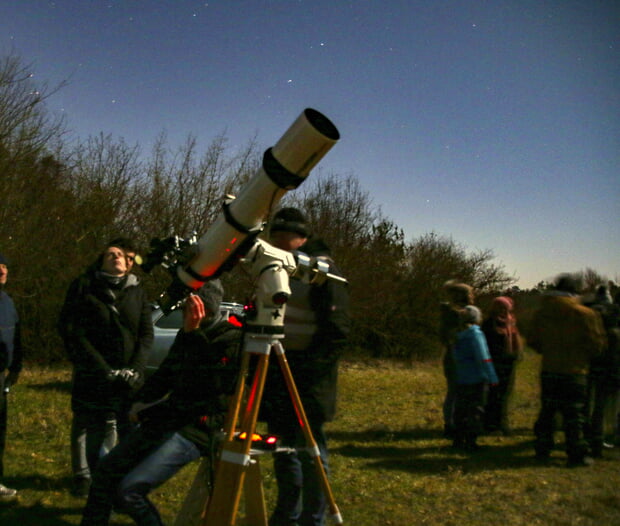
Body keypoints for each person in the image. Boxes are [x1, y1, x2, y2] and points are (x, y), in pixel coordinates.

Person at [80, 280, 243, 525]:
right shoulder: (187, 333)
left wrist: (193, 334)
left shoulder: (230, 339)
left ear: (207, 308)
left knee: (130, 492)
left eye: (194, 307)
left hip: (197, 427)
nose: (187, 312)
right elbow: (167, 375)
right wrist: (138, 400)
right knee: (107, 470)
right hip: (171, 417)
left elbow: (207, 387)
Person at [261, 207, 350, 526]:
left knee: (311, 454)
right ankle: (288, 514)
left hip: (308, 377)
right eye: (276, 240)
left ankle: (313, 518)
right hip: (277, 373)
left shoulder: (323, 272)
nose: (281, 246)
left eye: (286, 240)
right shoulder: (275, 267)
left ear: (302, 238)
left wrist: (310, 372)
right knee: (283, 452)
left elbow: (337, 331)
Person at [58, 242, 153, 496]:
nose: (116, 257)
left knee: (113, 423)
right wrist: (102, 369)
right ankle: (82, 476)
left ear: (129, 264)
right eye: (110, 254)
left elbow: (145, 334)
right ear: (101, 260)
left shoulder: (137, 291)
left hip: (125, 376)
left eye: (121, 255)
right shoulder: (85, 287)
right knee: (85, 422)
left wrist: (135, 369)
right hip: (92, 371)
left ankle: (104, 474)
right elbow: (75, 332)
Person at [528, 274, 607, 467]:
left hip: (549, 368)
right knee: (574, 414)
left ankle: (542, 448)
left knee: (547, 410)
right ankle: (576, 454)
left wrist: (549, 350)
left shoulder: (541, 312)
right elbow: (596, 344)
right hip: (575, 370)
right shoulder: (584, 314)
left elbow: (534, 341)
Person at [451, 305, 498, 452]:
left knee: (460, 410)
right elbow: (483, 357)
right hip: (477, 378)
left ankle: (458, 440)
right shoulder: (475, 334)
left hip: (461, 377)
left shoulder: (458, 335)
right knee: (475, 410)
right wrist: (492, 376)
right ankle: (471, 442)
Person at [585, 285, 620, 457]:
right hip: (610, 371)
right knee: (606, 408)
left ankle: (591, 438)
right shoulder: (614, 331)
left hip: (591, 369)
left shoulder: (589, 320)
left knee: (592, 407)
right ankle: (603, 439)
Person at [481, 296, 523, 435]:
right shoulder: (488, 324)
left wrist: (516, 355)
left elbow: (517, 342)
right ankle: (491, 425)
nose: (503, 311)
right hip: (494, 363)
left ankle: (502, 423)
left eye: (505, 308)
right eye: (500, 307)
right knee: (493, 395)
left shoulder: (511, 323)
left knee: (505, 395)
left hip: (509, 363)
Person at [439, 280, 475, 439]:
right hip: (458, 357)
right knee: (456, 393)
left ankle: (452, 423)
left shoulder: (449, 313)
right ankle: (452, 425)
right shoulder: (456, 315)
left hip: (454, 356)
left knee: (454, 392)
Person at [0, 253, 22, 503]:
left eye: (5, 265)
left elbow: (17, 336)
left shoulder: (8, 302)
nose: (2, 270)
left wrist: (16, 368)